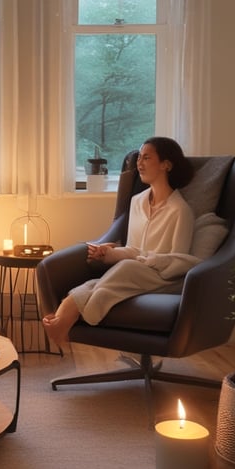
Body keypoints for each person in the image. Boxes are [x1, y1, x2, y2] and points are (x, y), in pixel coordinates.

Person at [42, 136, 201, 350]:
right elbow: (134, 248)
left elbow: (179, 261)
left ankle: (74, 319)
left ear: (166, 164)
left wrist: (145, 260)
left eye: (147, 158)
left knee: (126, 268)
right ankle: (65, 317)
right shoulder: (137, 202)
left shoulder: (181, 211)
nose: (139, 163)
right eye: (139, 158)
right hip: (134, 271)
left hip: (163, 277)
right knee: (92, 284)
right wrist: (108, 253)